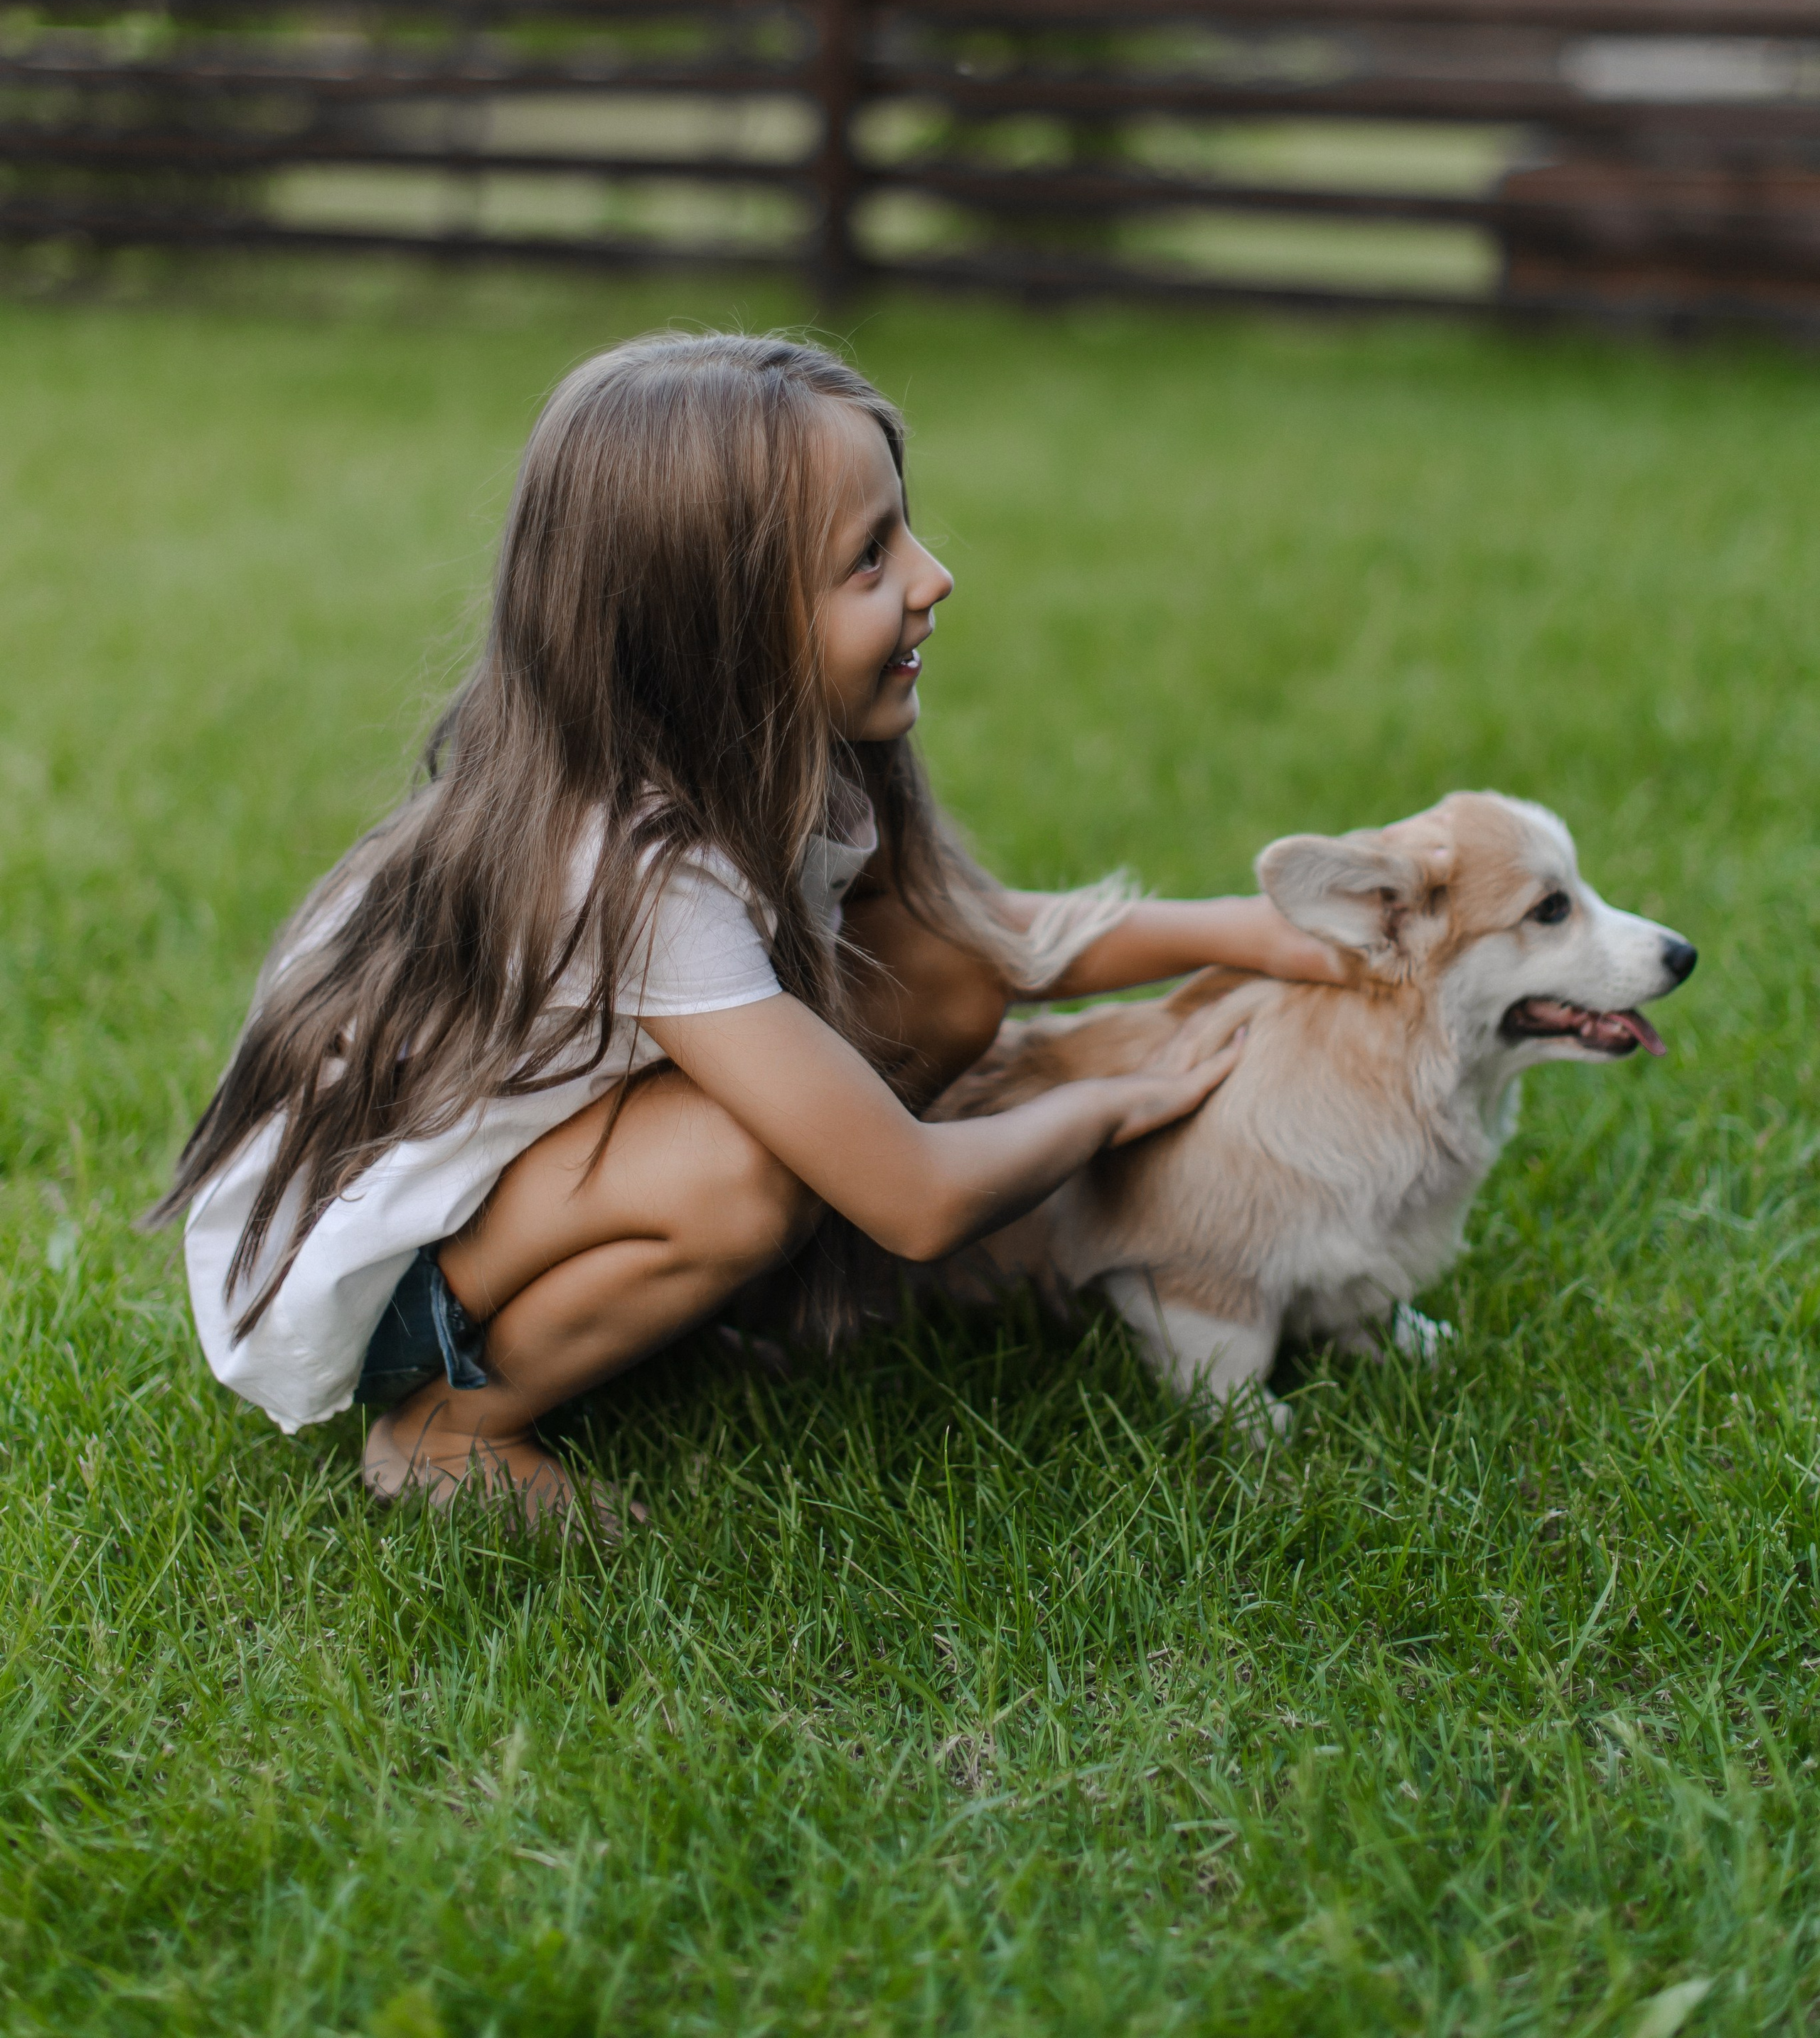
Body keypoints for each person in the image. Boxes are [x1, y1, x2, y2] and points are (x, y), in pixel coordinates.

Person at [154, 334, 1343, 1525]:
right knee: (742, 1169)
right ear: (718, 630)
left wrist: (1249, 932)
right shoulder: (633, 871)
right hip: (383, 1279)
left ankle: (705, 1312)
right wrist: (1111, 1107)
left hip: (521, 1194)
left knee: (945, 976)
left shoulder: (783, 752)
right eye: (869, 556)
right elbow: (919, 1198)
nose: (933, 577)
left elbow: (976, 937)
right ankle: (446, 1430)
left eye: (905, 530)